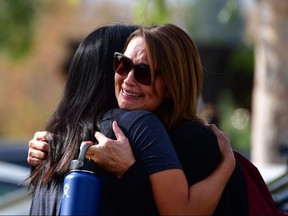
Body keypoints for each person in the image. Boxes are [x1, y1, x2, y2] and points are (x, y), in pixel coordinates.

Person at [27, 24, 236, 215]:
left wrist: (227, 166)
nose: (128, 79)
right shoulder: (103, 132)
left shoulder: (186, 137)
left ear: (173, 85)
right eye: (122, 64)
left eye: (144, 72)